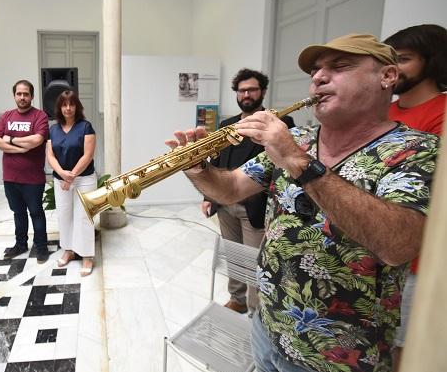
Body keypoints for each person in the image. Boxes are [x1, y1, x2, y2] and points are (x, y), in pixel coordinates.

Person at [166, 34, 438, 372]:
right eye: (316, 71)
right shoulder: (302, 138)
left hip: (337, 354)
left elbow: (398, 245)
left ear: (387, 76)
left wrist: (297, 161)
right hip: (268, 326)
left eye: (339, 67)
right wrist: (199, 168)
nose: (319, 77)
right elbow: (232, 188)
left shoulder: (419, 149)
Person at [202, 68, 295, 314]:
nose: (246, 94)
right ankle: (238, 299)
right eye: (242, 90)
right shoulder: (227, 125)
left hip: (256, 206)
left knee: (255, 260)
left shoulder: (280, 124)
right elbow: (217, 162)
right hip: (225, 204)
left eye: (252, 89)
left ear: (262, 91)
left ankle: (256, 309)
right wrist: (208, 196)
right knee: (233, 254)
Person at [384, 24, 447, 369]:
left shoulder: (442, 112)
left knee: (402, 346)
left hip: (415, 262)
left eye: (404, 59)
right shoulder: (386, 111)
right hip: (373, 250)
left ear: (431, 61)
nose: (393, 69)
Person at [0, 80, 50, 263]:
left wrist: (9, 140)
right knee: (18, 213)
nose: (22, 97)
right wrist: (20, 147)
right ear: (14, 95)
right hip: (10, 177)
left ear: (31, 96)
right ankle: (21, 244)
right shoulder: (6, 116)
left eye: (26, 94)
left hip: (33, 178)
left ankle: (41, 247)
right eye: (19, 94)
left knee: (36, 212)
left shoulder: (40, 116)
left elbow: (37, 140)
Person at [46, 90, 97, 276]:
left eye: (71, 104)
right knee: (64, 216)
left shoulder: (86, 127)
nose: (68, 108)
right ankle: (68, 250)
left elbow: (88, 155)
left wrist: (72, 176)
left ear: (77, 106)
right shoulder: (53, 129)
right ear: (60, 107)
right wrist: (61, 173)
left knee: (84, 218)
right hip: (62, 181)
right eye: (64, 104)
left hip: (84, 180)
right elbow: (50, 155)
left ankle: (87, 256)